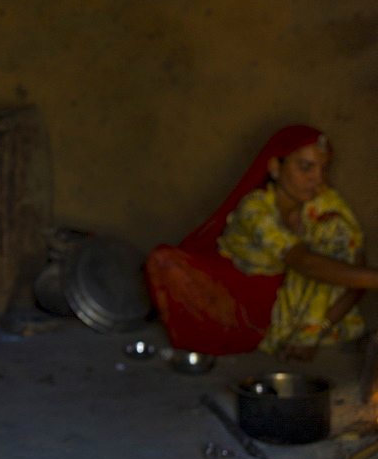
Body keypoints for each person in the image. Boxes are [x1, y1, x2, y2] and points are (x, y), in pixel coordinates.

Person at [145, 124, 378, 361]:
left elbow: (355, 271)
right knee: (164, 260)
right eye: (306, 167)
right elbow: (305, 263)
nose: (318, 178)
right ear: (275, 168)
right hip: (241, 297)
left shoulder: (327, 204)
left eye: (324, 168)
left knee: (334, 246)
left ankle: (298, 326)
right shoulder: (255, 208)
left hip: (293, 301)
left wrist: (318, 329)